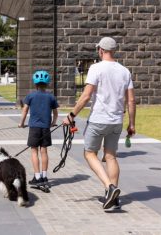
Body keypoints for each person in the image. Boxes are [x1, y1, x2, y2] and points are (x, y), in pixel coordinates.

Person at [63, 37, 135, 211]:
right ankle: (114, 197)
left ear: (101, 50)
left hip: (98, 119)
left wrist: (71, 115)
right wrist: (132, 124)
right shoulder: (125, 71)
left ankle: (109, 187)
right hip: (117, 120)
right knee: (110, 156)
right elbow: (131, 100)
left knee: (89, 153)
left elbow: (86, 96)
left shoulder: (95, 68)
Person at [18, 70, 58, 192]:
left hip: (34, 128)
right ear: (47, 84)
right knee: (44, 151)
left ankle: (37, 177)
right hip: (46, 127)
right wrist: (53, 122)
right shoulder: (51, 97)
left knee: (34, 151)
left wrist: (22, 123)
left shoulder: (30, 96)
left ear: (35, 84)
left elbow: (24, 110)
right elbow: (55, 113)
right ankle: (44, 176)